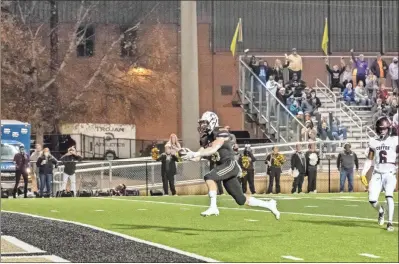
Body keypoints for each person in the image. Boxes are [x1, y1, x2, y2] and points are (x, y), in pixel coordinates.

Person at [182, 111, 280, 218]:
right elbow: (198, 157)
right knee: (241, 200)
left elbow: (213, 148)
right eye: (201, 123)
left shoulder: (221, 132)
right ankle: (269, 204)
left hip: (229, 164)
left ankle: (213, 207)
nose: (202, 126)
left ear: (212, 122)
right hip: (224, 167)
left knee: (209, 177)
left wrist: (196, 153)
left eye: (204, 123)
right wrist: (188, 155)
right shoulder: (206, 138)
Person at [361, 116, 397, 232]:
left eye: (384, 129)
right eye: (380, 129)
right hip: (377, 173)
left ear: (388, 129)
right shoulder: (373, 142)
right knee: (372, 200)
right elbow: (369, 159)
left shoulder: (394, 140)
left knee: (389, 196)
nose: (382, 131)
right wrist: (363, 172)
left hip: (390, 173)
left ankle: (390, 222)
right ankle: (381, 211)